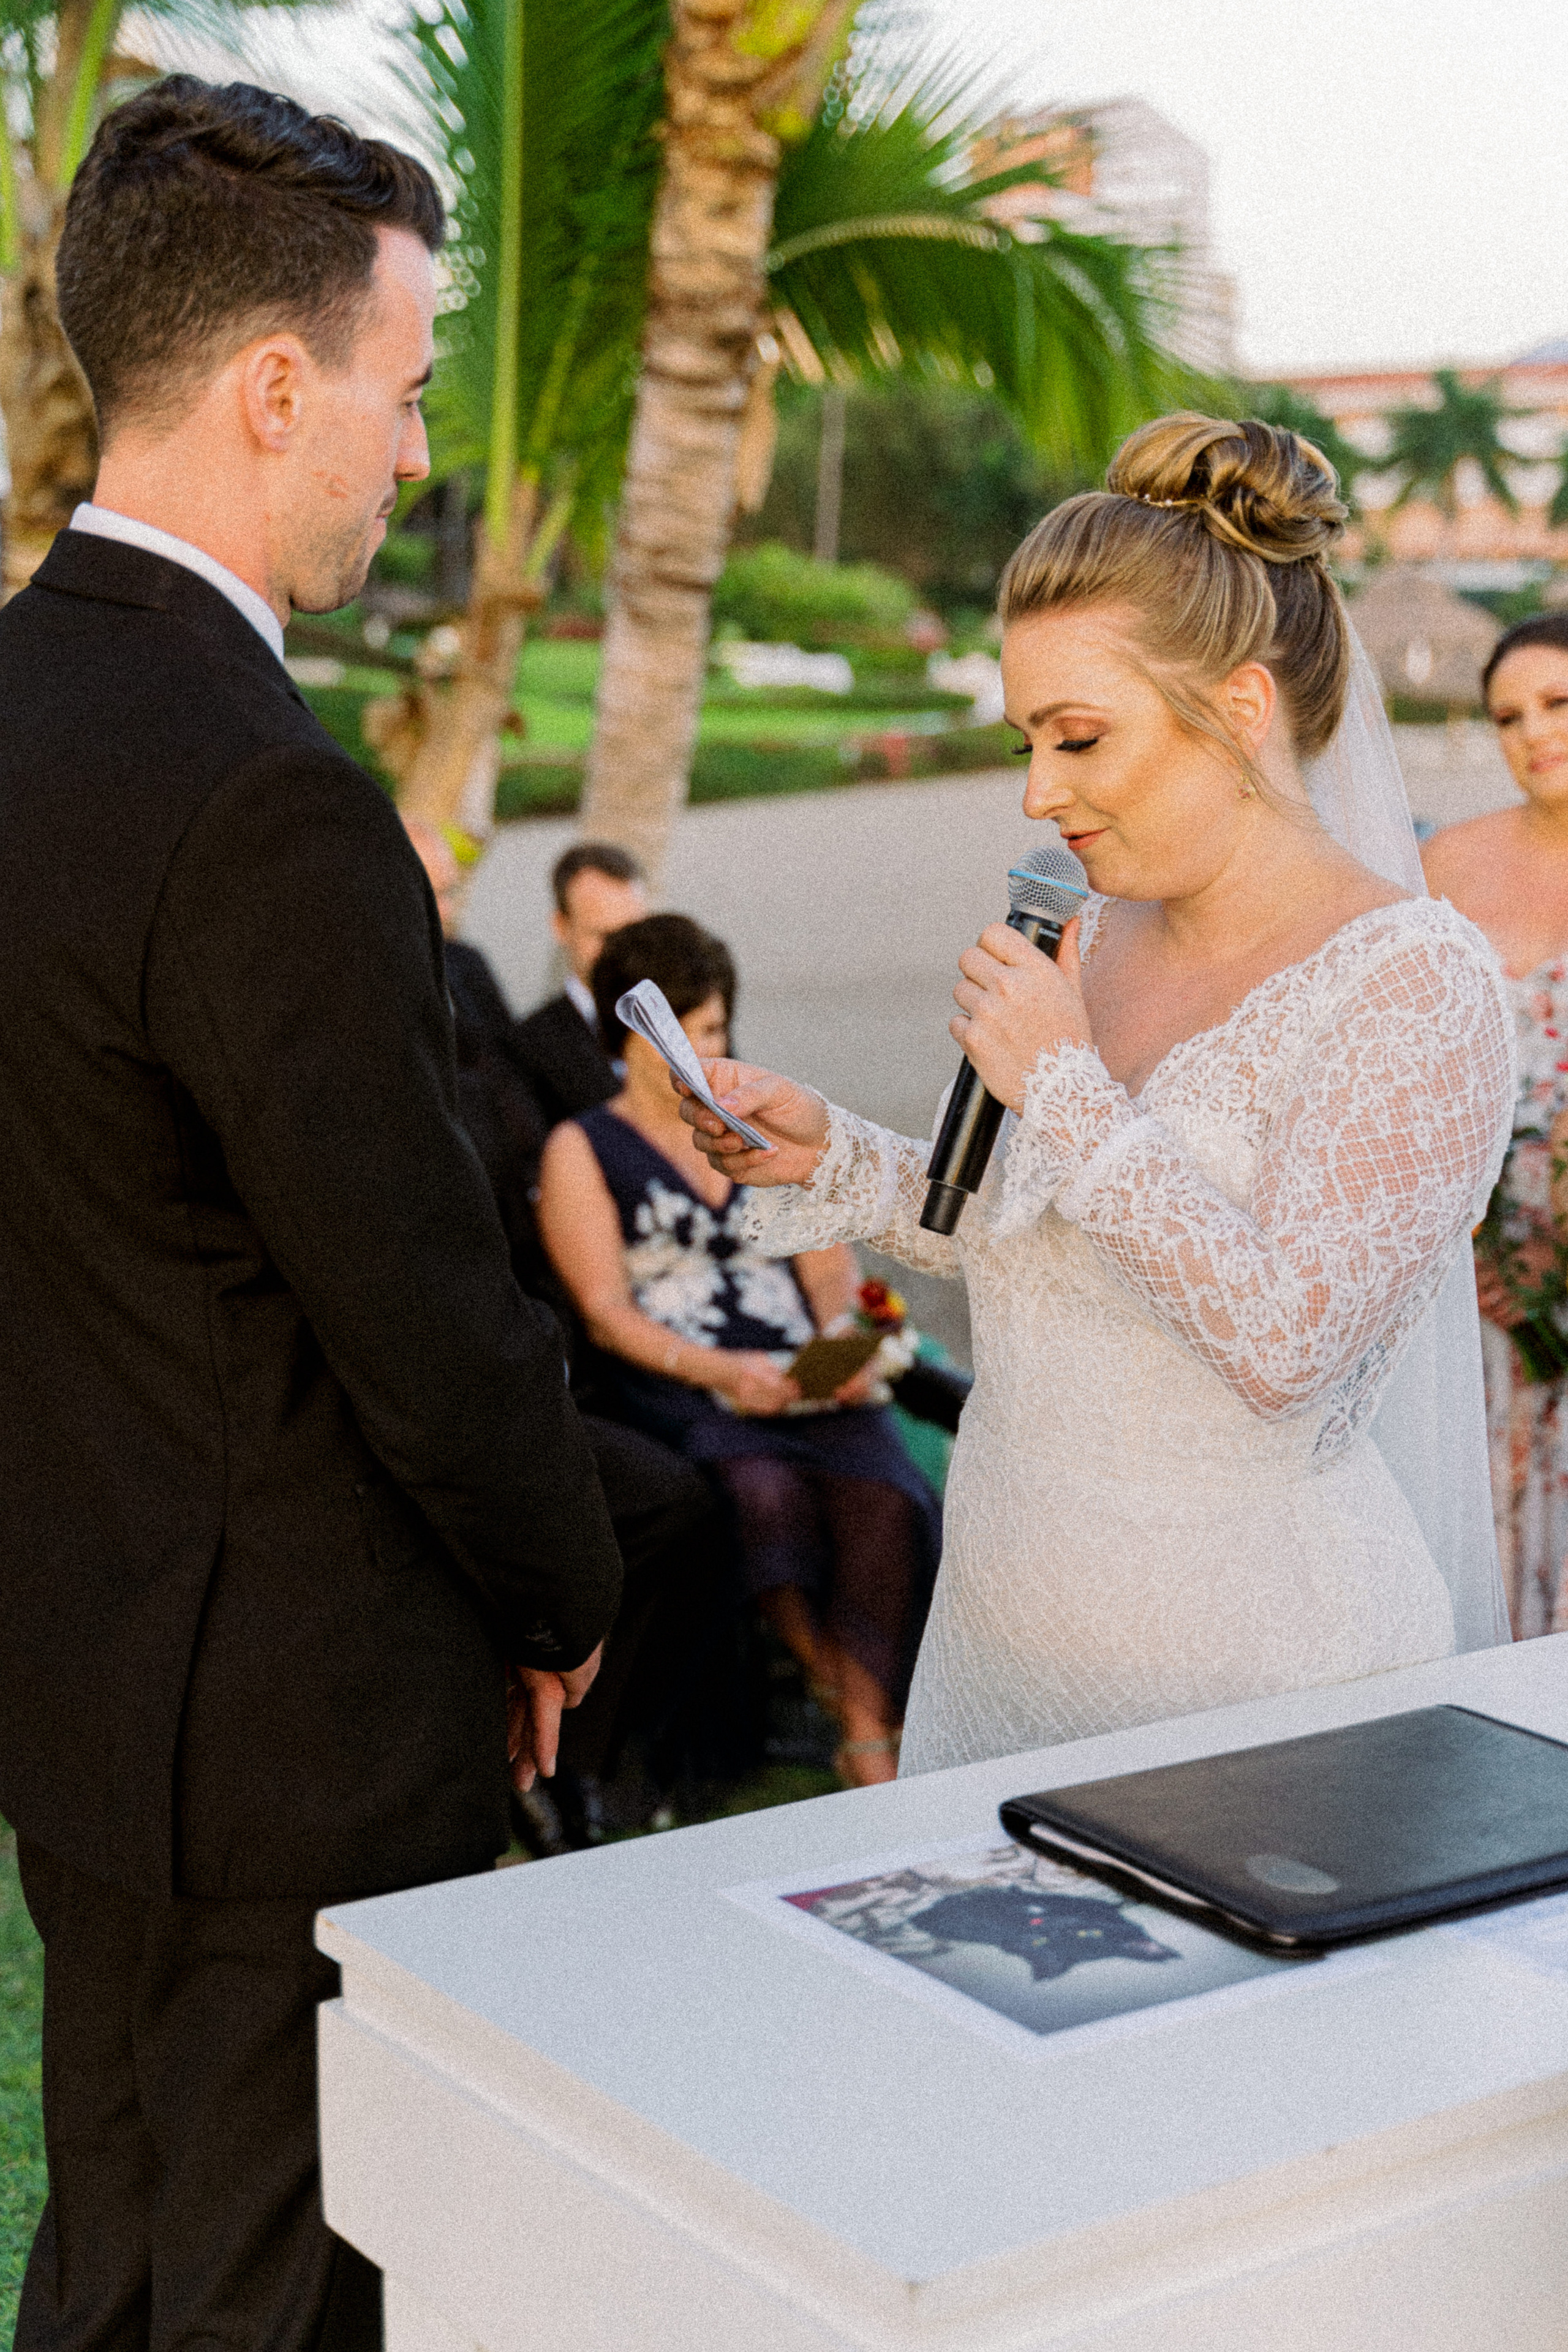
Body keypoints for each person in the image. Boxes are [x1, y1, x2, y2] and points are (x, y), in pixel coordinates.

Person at [0, 79, 624, 2352]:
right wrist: (562, 1592)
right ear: (280, 389)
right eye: (410, 378)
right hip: (287, 1725)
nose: (415, 444)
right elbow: (426, 1312)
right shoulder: (264, 797)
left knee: (114, 2254)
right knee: (274, 2295)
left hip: (70, 1678)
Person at [680, 412, 1516, 1779]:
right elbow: (1043, 1249)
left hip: (1255, 1684)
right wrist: (834, 1155)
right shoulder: (1095, 933)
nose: (1035, 791)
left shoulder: (1412, 983)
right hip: (1007, 1641)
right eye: (1027, 741)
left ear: (1237, 710)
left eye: (1077, 739)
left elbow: (1283, 1344)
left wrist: (1060, 1081)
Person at [536, 913, 942, 1785]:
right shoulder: (583, 1147)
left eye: (715, 1029)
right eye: (681, 1035)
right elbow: (606, 1311)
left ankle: (869, 1711)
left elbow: (829, 1250)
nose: (704, 1054)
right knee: (762, 1495)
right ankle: (850, 1707)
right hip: (686, 1378)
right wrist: (724, 1372)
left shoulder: (751, 1118)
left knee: (886, 1496)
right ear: (627, 1034)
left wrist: (839, 1340)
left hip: (801, 1366)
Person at [401, 815, 734, 1836]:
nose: (445, 917)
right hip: (472, 1363)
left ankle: (587, 1760)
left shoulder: (483, 1015)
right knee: (650, 1499)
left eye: (451, 897)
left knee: (668, 1499)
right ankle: (556, 1768)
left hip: (537, 1342)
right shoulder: (463, 1044)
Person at [1422, 614, 1568, 1637]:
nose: (1532, 733)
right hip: (1475, 1269)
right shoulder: (1449, 867)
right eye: (1508, 716)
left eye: (1558, 704)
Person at [511, 841, 649, 1121]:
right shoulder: (527, 1048)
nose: (622, 951)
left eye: (635, 933)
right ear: (561, 927)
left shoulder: (685, 1014)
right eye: (605, 936)